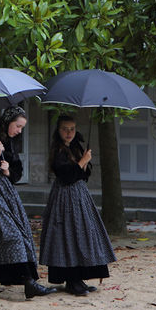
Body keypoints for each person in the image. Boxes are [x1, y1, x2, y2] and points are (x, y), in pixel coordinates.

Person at [0, 105, 57, 300]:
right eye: (18, 126)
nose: (19, 131)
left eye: (22, 127)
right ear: (7, 122)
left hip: (6, 192)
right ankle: (28, 283)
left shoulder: (12, 142)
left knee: (11, 235)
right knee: (9, 235)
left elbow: (17, 171)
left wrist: (8, 172)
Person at [38, 115, 117, 296]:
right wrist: (82, 161)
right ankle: (71, 280)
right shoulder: (57, 150)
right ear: (58, 131)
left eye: (72, 129)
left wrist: (84, 160)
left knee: (82, 234)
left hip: (79, 196)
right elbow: (65, 176)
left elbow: (82, 175)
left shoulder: (75, 147)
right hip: (64, 198)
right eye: (65, 129)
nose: (69, 133)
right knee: (68, 236)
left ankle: (79, 278)